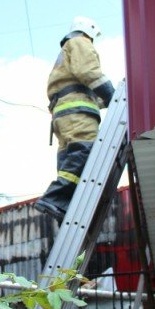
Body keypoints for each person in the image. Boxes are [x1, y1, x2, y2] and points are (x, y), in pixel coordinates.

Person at [34, 16, 115, 219]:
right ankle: (54, 198)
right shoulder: (80, 42)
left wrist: (106, 102)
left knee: (68, 161)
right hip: (77, 114)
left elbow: (81, 89)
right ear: (89, 32)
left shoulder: (65, 53)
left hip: (65, 115)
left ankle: (65, 206)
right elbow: (88, 72)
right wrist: (112, 94)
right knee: (86, 151)